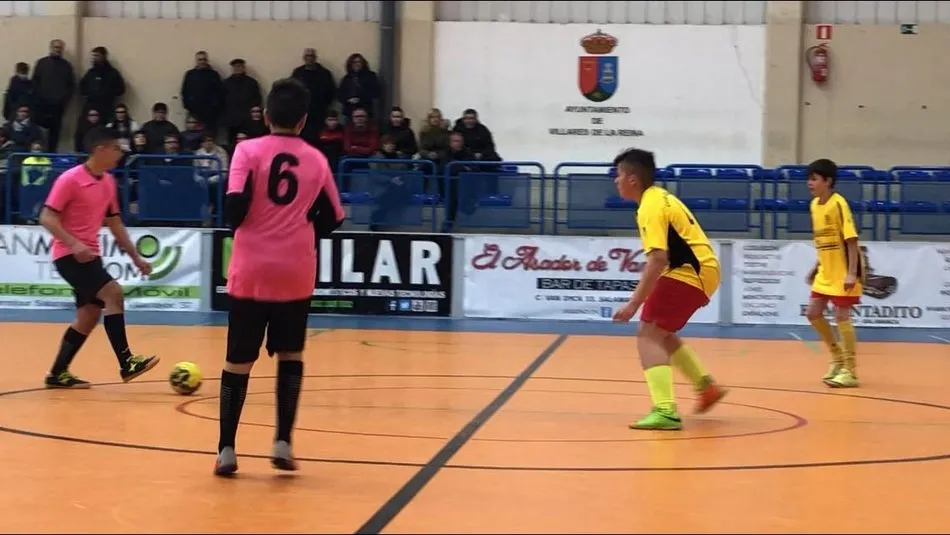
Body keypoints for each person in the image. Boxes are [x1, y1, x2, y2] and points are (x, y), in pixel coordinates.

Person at [214, 78, 345, 476]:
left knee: (238, 360)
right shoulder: (317, 159)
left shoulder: (246, 150)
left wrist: (256, 224)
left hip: (251, 268)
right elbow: (335, 215)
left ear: (266, 115)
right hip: (295, 270)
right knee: (290, 355)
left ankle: (226, 450)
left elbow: (234, 208)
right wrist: (302, 230)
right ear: (303, 120)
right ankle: (283, 442)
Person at [611, 148, 726, 430]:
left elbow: (658, 259)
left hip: (690, 272)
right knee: (662, 334)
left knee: (648, 333)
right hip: (702, 271)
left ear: (633, 179)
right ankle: (706, 387)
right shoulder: (660, 197)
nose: (616, 181)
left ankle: (665, 410)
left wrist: (633, 304)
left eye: (619, 175)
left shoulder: (649, 206)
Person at [39, 127, 160, 388]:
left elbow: (115, 224)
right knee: (113, 294)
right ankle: (127, 362)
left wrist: (136, 258)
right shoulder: (70, 179)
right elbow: (47, 217)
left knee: (89, 315)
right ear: (100, 149)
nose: (120, 154)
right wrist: (73, 243)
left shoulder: (108, 182)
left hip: (92, 256)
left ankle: (57, 373)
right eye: (116, 148)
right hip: (69, 255)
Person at [804, 158, 863, 388]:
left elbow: (851, 240)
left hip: (843, 271)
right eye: (809, 179)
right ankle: (837, 358)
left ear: (827, 181)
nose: (810, 183)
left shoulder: (838, 204)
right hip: (825, 272)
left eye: (814, 179)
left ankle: (850, 370)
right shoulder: (814, 206)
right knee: (813, 313)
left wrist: (851, 273)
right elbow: (823, 242)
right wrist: (815, 267)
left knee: (841, 317)